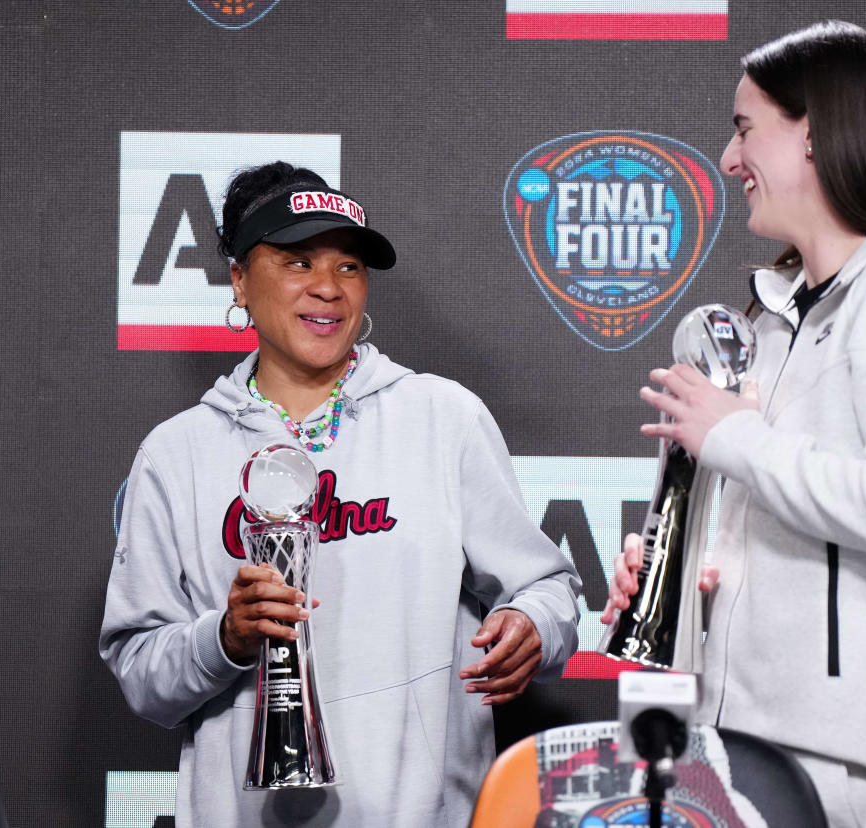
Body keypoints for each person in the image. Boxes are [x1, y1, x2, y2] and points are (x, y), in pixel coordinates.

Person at [603, 21, 866, 828]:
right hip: (736, 746)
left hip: (848, 768)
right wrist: (681, 583)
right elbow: (793, 518)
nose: (729, 162)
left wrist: (734, 437)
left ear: (816, 135)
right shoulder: (771, 323)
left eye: (743, 129)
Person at [100, 161, 582, 827]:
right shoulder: (176, 454)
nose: (328, 288)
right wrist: (225, 638)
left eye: (349, 266)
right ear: (239, 278)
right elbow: (140, 674)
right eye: (298, 262)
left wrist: (533, 624)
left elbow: (550, 591)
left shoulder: (444, 418)